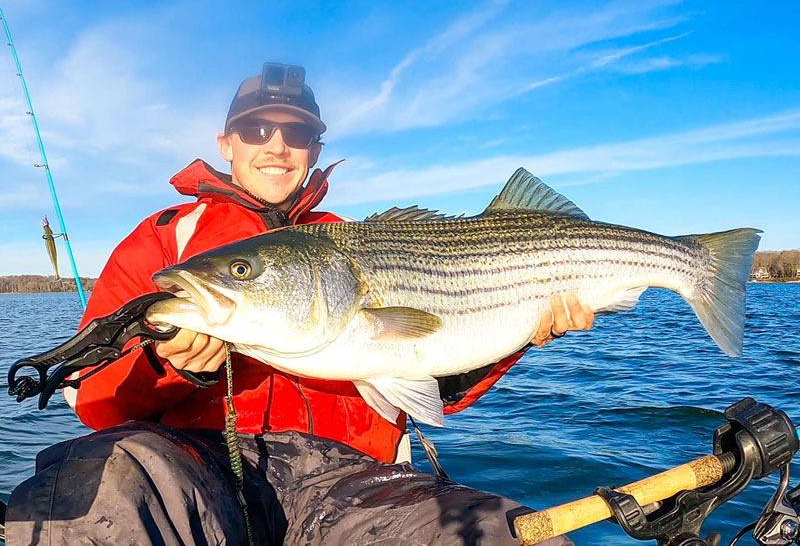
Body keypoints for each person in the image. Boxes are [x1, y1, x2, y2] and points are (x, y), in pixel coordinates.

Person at [5, 63, 593, 545]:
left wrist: (519, 331)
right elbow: (95, 401)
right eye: (256, 129)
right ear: (226, 143)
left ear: (315, 148)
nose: (277, 146)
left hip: (357, 480)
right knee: (89, 490)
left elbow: (436, 385)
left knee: (492, 535)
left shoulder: (358, 238)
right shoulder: (165, 244)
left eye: (298, 134)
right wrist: (170, 366)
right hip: (195, 468)